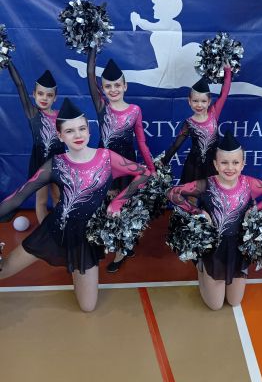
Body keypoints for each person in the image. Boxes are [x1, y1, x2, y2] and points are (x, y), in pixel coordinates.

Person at [0, 99, 149, 311]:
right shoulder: (55, 164)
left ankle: (75, 267)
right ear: (60, 136)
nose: (78, 135)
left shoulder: (106, 157)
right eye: (70, 131)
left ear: (89, 130)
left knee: (88, 306)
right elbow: (19, 196)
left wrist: (118, 202)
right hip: (54, 230)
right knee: (3, 270)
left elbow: (144, 173)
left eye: (81, 128)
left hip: (85, 239)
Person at [167, 130, 262, 310]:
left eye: (235, 162)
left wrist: (255, 209)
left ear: (243, 164)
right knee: (215, 305)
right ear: (215, 164)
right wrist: (197, 212)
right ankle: (202, 268)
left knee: (234, 301)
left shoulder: (249, 183)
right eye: (224, 162)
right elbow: (173, 193)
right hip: (213, 248)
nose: (230, 167)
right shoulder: (206, 184)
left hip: (238, 248)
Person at [86, 48, 155, 272]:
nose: (113, 89)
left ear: (125, 86)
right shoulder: (102, 107)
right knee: (105, 204)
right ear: (102, 88)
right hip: (104, 164)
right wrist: (92, 49)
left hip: (126, 164)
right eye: (108, 86)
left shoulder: (135, 110)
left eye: (117, 85)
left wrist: (151, 168)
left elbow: (142, 142)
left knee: (123, 205)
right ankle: (113, 243)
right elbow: (90, 76)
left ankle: (121, 251)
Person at [6, 62, 65, 223]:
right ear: (34, 94)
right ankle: (44, 233)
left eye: (49, 95)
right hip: (40, 163)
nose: (44, 98)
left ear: (55, 97)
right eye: (40, 94)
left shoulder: (61, 115)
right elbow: (20, 84)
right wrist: (7, 61)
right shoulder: (32, 113)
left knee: (58, 197)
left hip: (58, 162)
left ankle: (58, 229)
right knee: (41, 200)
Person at [162, 66, 232, 183]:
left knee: (211, 193)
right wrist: (163, 161)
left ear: (209, 102)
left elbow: (224, 93)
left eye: (203, 101)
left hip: (213, 165)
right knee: (192, 193)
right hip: (193, 166)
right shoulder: (189, 123)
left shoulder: (214, 113)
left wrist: (227, 70)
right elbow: (176, 145)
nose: (199, 105)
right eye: (195, 101)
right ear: (189, 101)